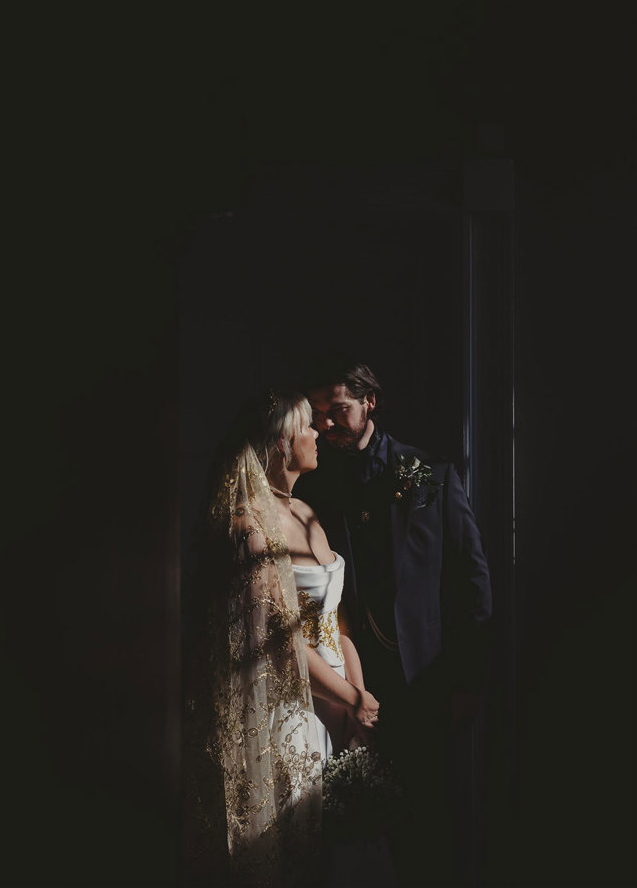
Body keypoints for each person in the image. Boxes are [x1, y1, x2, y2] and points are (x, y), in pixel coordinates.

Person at [293, 353, 493, 886]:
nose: (327, 424)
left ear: (369, 403)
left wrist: (467, 681)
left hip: (424, 680)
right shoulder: (312, 484)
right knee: (352, 828)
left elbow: (471, 582)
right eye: (319, 414)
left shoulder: (426, 472)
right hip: (345, 680)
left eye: (338, 410)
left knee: (429, 821)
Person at [183, 388, 383, 888]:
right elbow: (279, 645)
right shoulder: (249, 527)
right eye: (307, 427)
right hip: (295, 707)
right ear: (280, 443)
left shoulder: (308, 514)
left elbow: (338, 626)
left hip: (345, 702)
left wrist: (363, 705)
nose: (319, 433)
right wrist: (349, 697)